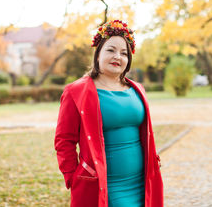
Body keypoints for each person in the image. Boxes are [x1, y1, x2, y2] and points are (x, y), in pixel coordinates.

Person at [54, 20, 164, 207]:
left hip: (142, 183)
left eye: (124, 53)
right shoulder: (76, 91)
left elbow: (144, 133)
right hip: (103, 186)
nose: (117, 57)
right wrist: (74, 177)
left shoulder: (137, 89)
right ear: (98, 54)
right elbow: (64, 140)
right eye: (111, 50)